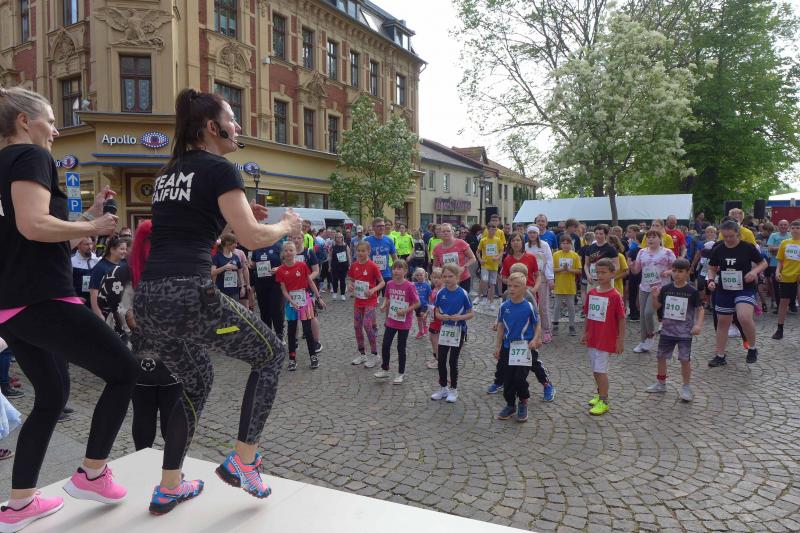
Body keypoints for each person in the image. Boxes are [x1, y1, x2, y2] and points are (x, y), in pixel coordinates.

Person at [133, 88, 301, 510]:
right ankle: (244, 460)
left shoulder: (168, 173)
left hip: (149, 299)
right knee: (271, 355)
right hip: (189, 293)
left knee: (196, 380)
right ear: (212, 127)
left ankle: (169, 485)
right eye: (232, 119)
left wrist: (234, 221)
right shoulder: (219, 168)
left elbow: (189, 228)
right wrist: (285, 225)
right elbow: (253, 239)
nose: (238, 126)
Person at [0, 86, 138, 529]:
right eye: (51, 120)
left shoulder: (4, 163)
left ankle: (20, 503)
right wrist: (93, 224)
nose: (56, 130)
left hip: (12, 305)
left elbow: (28, 233)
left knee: (52, 397)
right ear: (25, 121)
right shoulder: (31, 155)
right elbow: (33, 225)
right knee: (125, 371)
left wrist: (82, 220)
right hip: (41, 297)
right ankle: (92, 474)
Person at [706, 220, 767, 367]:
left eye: (731, 236)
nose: (728, 239)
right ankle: (720, 356)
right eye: (725, 236)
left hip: (744, 287)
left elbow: (763, 263)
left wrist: (754, 272)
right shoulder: (718, 249)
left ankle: (752, 348)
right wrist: (711, 280)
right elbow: (712, 267)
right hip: (725, 288)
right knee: (722, 322)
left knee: (744, 317)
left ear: (737, 234)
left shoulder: (747, 247)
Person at [646, 258, 704, 402]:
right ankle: (661, 383)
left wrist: (698, 325)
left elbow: (700, 309)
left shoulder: (692, 291)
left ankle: (686, 387)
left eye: (680, 271)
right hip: (667, 330)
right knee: (661, 357)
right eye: (674, 271)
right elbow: (657, 306)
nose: (676, 274)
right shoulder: (666, 289)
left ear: (688, 273)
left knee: (684, 359)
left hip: (685, 332)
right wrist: (654, 297)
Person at [494, 272, 543, 422]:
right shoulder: (504, 306)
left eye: (516, 286)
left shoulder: (529, 306)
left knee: (519, 378)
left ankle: (523, 401)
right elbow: (501, 326)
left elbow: (537, 324)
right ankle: (510, 404)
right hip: (508, 347)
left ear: (524, 288)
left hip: (524, 347)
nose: (512, 289)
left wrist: (535, 339)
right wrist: (497, 346)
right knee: (508, 379)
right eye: (509, 286)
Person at [581, 258, 625, 416]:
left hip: (606, 338)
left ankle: (604, 401)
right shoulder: (592, 292)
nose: (599, 275)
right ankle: (600, 393)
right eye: (597, 272)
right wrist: (585, 332)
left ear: (612, 274)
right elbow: (588, 315)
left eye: (603, 272)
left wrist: (620, 340)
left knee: (600, 370)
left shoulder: (615, 296)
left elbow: (621, 319)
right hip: (593, 337)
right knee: (595, 369)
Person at [276, 240, 324, 371]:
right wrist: (291, 301)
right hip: (291, 303)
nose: (288, 253)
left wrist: (318, 297)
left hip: (305, 301)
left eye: (291, 250)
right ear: (283, 253)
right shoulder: (280, 270)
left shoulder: (302, 265)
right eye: (286, 250)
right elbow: (284, 290)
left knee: (307, 330)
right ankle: (292, 359)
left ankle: (313, 357)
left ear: (295, 252)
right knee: (291, 331)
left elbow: (310, 282)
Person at [430, 264, 474, 404]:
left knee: (452, 361)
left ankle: (453, 389)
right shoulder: (440, 293)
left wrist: (459, 317)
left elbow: (471, 313)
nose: (447, 279)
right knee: (441, 360)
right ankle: (443, 388)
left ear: (457, 277)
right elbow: (436, 311)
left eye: (450, 276)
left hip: (458, 330)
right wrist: (440, 316)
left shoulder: (463, 293)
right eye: (445, 276)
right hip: (444, 330)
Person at [374, 260, 420, 384]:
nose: (396, 271)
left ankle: (401, 373)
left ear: (405, 271)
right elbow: (387, 297)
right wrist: (384, 305)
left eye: (399, 269)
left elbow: (417, 303)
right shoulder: (389, 284)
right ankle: (385, 368)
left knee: (401, 347)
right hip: (391, 320)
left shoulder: (410, 286)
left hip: (404, 322)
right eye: (394, 268)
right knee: (385, 345)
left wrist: (405, 310)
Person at [631, 230, 676, 353]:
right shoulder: (642, 252)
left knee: (648, 312)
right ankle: (643, 341)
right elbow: (636, 270)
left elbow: (676, 268)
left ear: (660, 239)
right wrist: (632, 265)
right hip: (644, 286)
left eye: (653, 237)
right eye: (648, 237)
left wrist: (667, 272)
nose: (650, 239)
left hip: (659, 287)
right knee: (642, 315)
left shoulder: (667, 252)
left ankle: (651, 334)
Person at [347, 241, 385, 367]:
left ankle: (375, 354)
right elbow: (351, 280)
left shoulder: (373, 266)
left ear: (369, 251)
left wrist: (373, 290)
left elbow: (382, 282)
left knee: (367, 325)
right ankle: (362, 354)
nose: (360, 253)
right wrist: (350, 286)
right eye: (358, 251)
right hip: (358, 300)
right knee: (356, 326)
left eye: (363, 251)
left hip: (370, 300)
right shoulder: (354, 265)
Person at [251, 240, 285, 340]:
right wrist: (250, 264)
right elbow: (253, 263)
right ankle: (267, 335)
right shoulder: (257, 247)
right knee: (264, 310)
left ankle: (279, 334)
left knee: (276, 310)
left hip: (275, 283)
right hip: (260, 284)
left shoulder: (278, 246)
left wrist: (278, 268)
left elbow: (286, 263)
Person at [525, 225, 554, 343]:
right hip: (529, 277)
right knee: (531, 304)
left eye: (534, 232)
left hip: (542, 277)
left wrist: (550, 278)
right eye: (530, 233)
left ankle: (546, 330)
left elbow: (549, 261)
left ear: (538, 234)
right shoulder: (525, 246)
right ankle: (532, 329)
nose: (532, 235)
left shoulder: (544, 245)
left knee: (543, 305)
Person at [772, 220, 800, 340]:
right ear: (790, 229)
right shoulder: (785, 243)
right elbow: (780, 260)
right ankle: (780, 329)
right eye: (793, 228)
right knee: (783, 303)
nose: (795, 230)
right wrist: (777, 272)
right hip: (786, 276)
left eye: (798, 228)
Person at [89, 236, 128, 319]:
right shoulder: (100, 267)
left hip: (122, 312)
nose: (125, 251)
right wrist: (99, 314)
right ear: (112, 250)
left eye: (125, 249)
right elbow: (94, 292)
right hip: (106, 312)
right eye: (122, 249)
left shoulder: (124, 265)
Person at [552, 235, 582, 336]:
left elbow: (579, 270)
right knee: (557, 306)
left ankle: (572, 326)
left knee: (571, 306)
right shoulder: (556, 255)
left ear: (571, 244)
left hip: (570, 285)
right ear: (560, 244)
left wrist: (569, 270)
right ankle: (555, 325)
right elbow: (552, 269)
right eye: (563, 243)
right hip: (559, 285)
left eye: (567, 243)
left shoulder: (575, 255)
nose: (565, 245)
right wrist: (562, 269)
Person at [365, 218, 397, 296]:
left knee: (388, 298)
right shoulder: (367, 241)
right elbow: (362, 258)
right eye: (379, 226)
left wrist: (396, 272)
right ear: (373, 227)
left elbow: (395, 258)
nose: (381, 227)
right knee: (372, 297)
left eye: (383, 225)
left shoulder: (389, 240)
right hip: (372, 274)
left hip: (386, 274)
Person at [767, 219, 794, 313]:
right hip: (775, 264)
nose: (783, 226)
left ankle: (791, 305)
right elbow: (770, 249)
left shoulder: (791, 236)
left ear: (788, 226)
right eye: (781, 225)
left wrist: (777, 249)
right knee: (776, 285)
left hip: (789, 265)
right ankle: (779, 306)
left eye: (785, 225)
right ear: (778, 226)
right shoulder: (773, 235)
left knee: (790, 285)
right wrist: (784, 248)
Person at [475, 224, 503, 310]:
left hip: (494, 265)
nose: (493, 231)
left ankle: (491, 302)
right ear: (487, 230)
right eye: (491, 229)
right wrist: (480, 260)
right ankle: (483, 297)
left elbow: (501, 250)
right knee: (484, 280)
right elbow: (477, 251)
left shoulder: (498, 240)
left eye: (494, 230)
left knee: (492, 283)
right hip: (485, 265)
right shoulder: (483, 240)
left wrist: (498, 258)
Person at [211, 233, 243, 300]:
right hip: (221, 292)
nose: (236, 245)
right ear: (227, 243)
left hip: (235, 292)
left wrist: (242, 287)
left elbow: (240, 273)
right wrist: (224, 267)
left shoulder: (236, 257)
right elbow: (212, 272)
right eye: (234, 243)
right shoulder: (217, 256)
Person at [425, 268, 444, 369]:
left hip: (438, 319)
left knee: (435, 339)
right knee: (431, 338)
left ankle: (439, 360)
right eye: (434, 277)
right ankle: (435, 355)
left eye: (439, 278)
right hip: (433, 318)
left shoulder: (442, 291)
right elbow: (431, 304)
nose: (436, 280)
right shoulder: (434, 289)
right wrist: (426, 313)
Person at [71, 237, 98, 306]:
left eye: (91, 244)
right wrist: (74, 297)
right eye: (86, 244)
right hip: (78, 299)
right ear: (78, 245)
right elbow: (67, 282)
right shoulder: (71, 260)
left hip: (94, 298)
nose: (90, 247)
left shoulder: (97, 259)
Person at [329, 232, 350, 301]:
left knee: (343, 280)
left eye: (340, 237)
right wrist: (329, 266)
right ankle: (335, 292)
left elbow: (348, 256)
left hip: (344, 265)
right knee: (334, 279)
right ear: (335, 238)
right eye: (337, 237)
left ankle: (342, 294)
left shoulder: (345, 246)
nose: (339, 238)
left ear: (342, 238)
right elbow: (330, 257)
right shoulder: (332, 247)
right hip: (335, 265)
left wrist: (350, 264)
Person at [412, 268, 432, 339]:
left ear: (425, 275)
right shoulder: (414, 285)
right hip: (417, 305)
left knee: (422, 315)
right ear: (415, 276)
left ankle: (425, 326)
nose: (419, 277)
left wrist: (429, 305)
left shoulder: (427, 285)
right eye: (417, 275)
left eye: (421, 275)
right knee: (418, 318)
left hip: (425, 305)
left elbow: (430, 296)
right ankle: (421, 331)